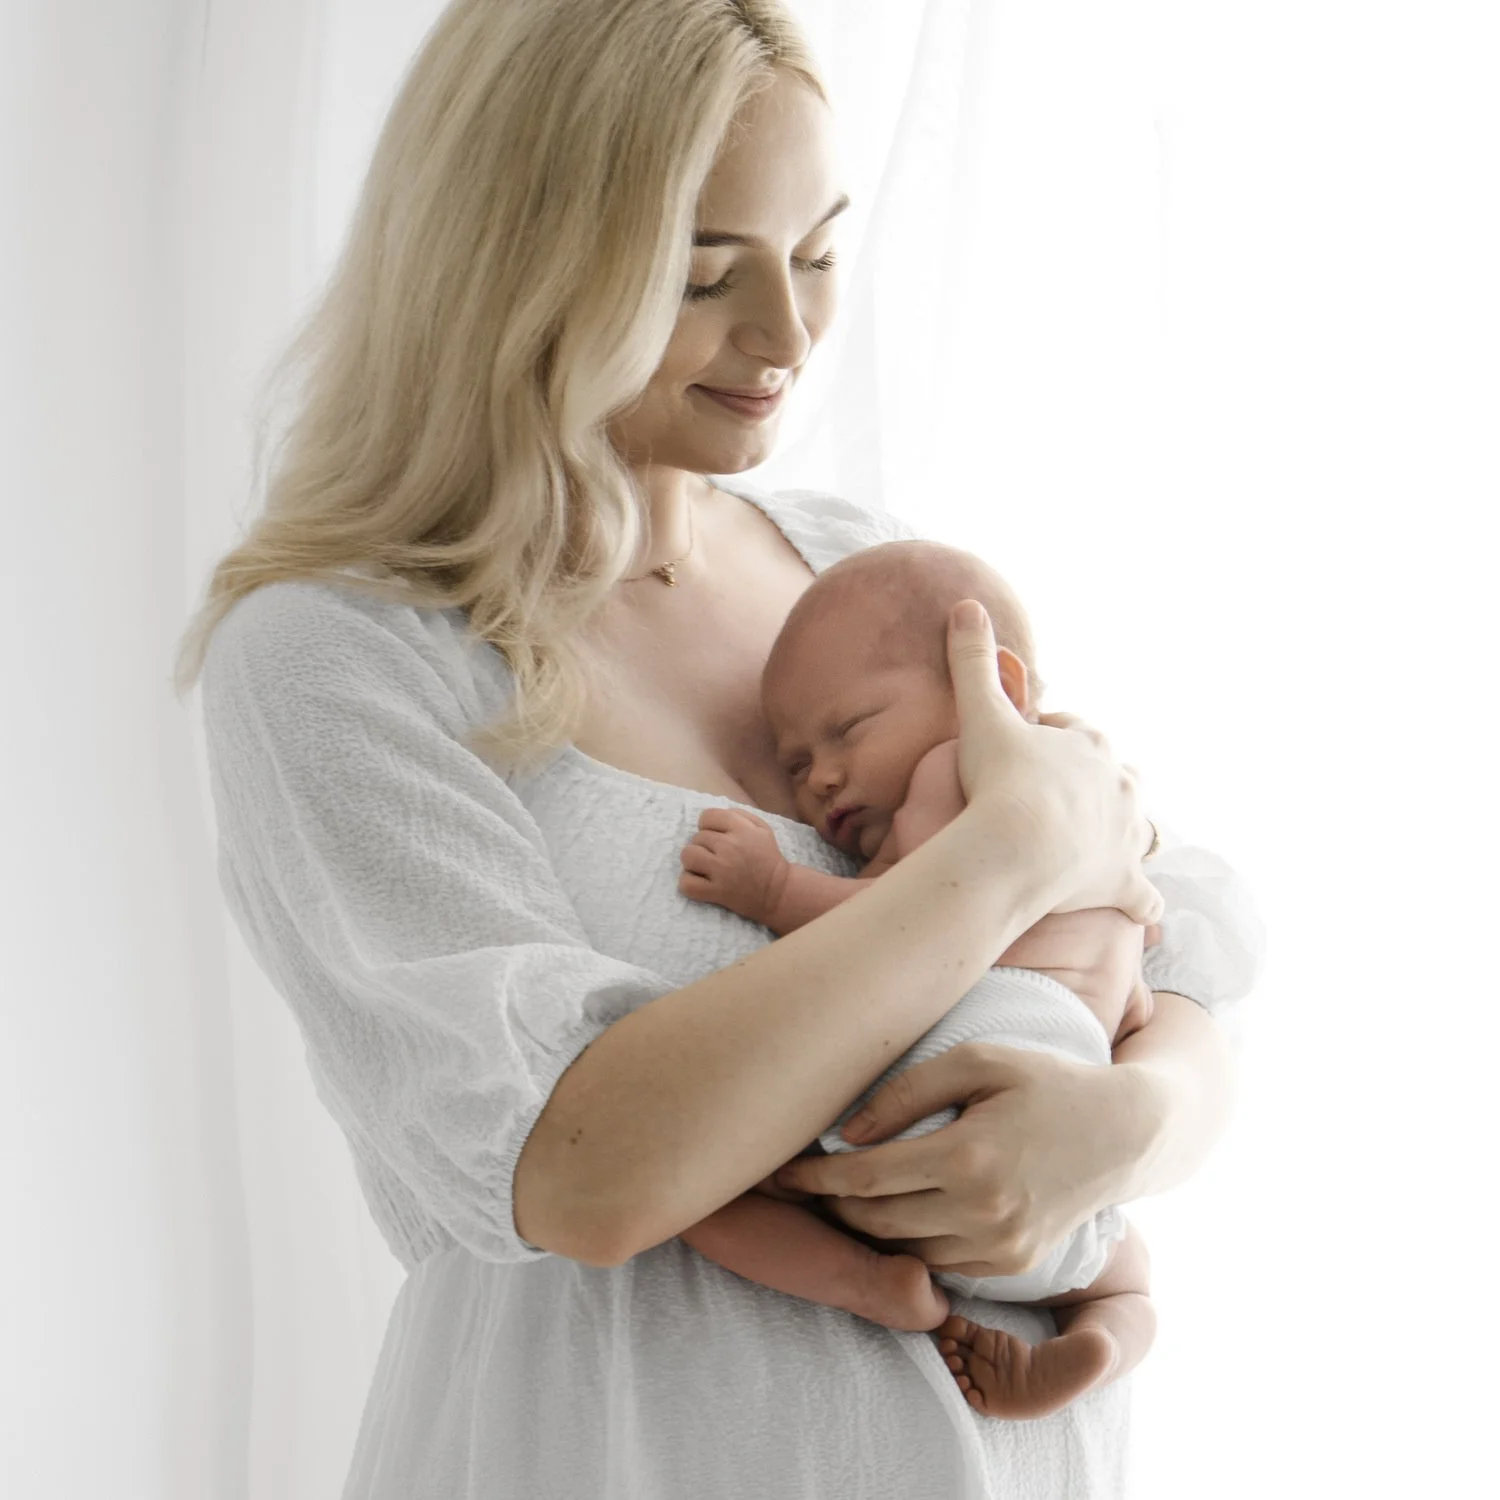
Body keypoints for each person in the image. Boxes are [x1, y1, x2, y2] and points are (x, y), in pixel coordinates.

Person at [175, 2, 1262, 1494]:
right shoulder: (338, 654)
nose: (790, 335)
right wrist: (1010, 853)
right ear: (519, 261)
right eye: (704, 274)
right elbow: (580, 1168)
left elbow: (1180, 944)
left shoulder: (856, 574)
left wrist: (1127, 1125)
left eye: (816, 253)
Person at [674, 538, 1165, 1420]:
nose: (821, 777)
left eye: (850, 729)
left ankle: (872, 1284)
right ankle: (1100, 1338)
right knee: (1128, 1279)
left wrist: (774, 888)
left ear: (992, 688)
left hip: (933, 1098)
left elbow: (901, 924)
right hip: (1060, 1179)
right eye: (795, 765)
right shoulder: (1109, 835)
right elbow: (1136, 1010)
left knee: (698, 1189)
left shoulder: (967, 766)